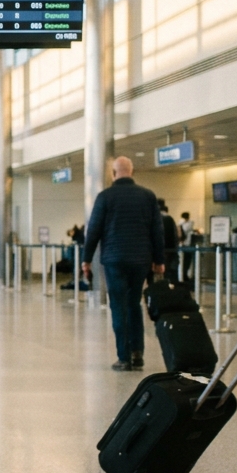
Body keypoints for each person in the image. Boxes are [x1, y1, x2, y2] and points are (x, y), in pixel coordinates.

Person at [82, 157, 165, 371]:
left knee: (118, 306)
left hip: (114, 259)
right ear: (132, 171)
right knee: (134, 303)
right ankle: (138, 353)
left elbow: (94, 230)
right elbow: (157, 231)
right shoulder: (147, 196)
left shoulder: (105, 197)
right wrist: (159, 260)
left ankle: (124, 356)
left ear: (113, 173)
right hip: (140, 259)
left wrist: (86, 259)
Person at [159, 200, 180, 283]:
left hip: (159, 252)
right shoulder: (169, 219)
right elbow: (176, 236)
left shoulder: (155, 218)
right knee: (172, 272)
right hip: (171, 250)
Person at [179, 212, 196, 286]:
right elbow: (186, 230)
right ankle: (184, 275)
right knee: (186, 261)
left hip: (185, 244)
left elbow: (185, 230)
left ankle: (185, 275)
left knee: (186, 261)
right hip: (186, 244)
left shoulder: (185, 222)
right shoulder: (186, 222)